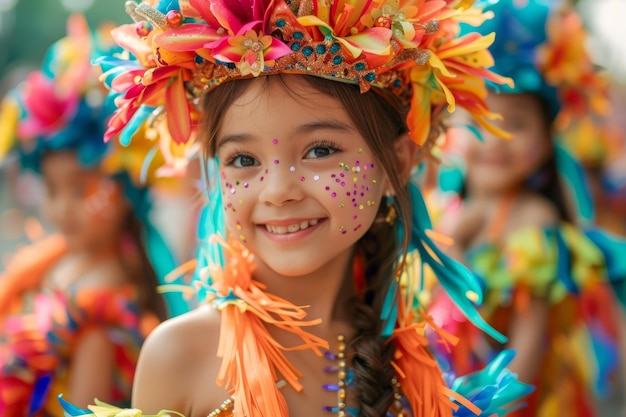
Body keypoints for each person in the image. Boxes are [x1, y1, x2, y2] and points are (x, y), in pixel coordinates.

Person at [59, 1, 533, 417]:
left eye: (321, 150)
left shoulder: (418, 370)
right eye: (244, 160)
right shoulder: (180, 354)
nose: (278, 191)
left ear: (398, 163)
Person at [429, 1, 626, 416]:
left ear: (545, 141)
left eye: (515, 124)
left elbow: (529, 343)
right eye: (480, 121)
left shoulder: (534, 219)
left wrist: (483, 409)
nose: (495, 139)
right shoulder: (442, 207)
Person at [0, 14, 187, 416]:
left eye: (80, 189)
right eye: (52, 189)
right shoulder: (59, 260)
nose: (62, 207)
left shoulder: (102, 318)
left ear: (123, 189)